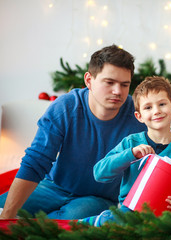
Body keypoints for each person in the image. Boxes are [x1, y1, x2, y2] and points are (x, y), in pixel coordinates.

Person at [0, 45, 147, 219]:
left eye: (125, 85)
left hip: (98, 198)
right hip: (53, 186)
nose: (118, 91)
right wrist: (7, 215)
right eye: (109, 82)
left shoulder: (139, 115)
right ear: (89, 80)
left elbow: (154, 164)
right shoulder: (65, 107)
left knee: (69, 219)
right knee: (4, 205)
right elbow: (36, 161)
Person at [80, 76, 171, 226]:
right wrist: (130, 154)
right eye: (148, 107)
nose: (156, 111)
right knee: (119, 221)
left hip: (170, 216)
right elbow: (99, 173)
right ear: (139, 116)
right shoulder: (131, 143)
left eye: (162, 104)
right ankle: (97, 221)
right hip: (131, 212)